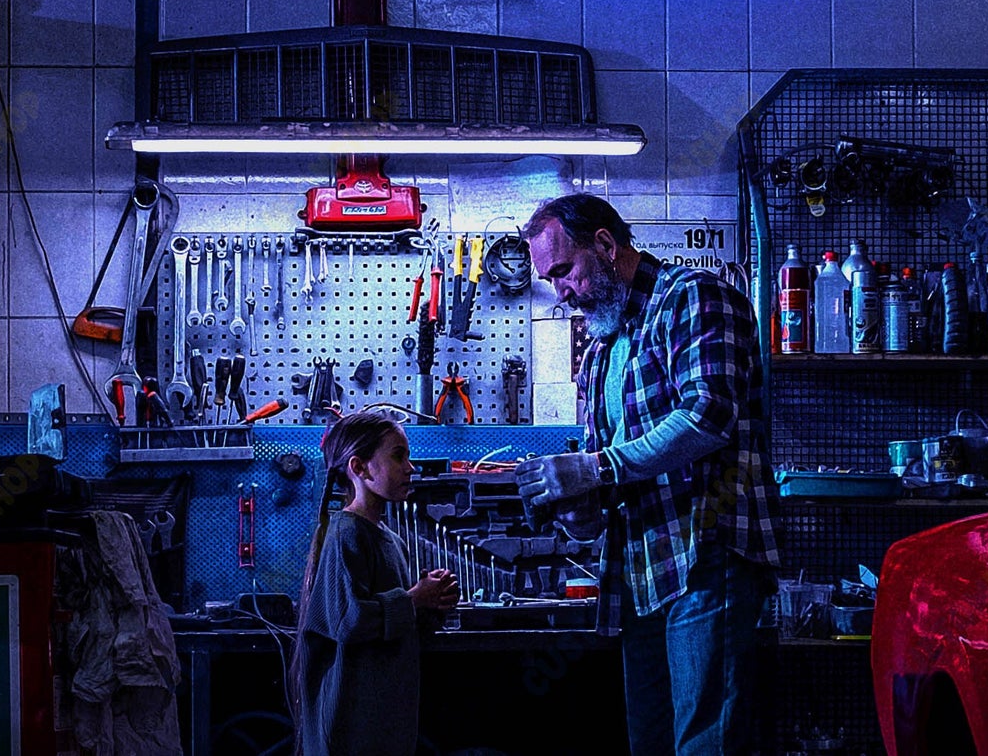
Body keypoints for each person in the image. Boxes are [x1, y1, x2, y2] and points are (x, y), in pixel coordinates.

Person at [515, 194, 780, 756]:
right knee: (652, 744)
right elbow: (602, 480)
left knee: (706, 744)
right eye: (550, 280)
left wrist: (593, 468)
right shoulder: (598, 353)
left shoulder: (694, 297)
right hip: (639, 573)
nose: (560, 294)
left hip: (707, 555)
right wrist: (577, 509)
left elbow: (709, 416)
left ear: (607, 246)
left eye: (564, 271)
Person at [291, 410, 459, 756]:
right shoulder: (347, 533)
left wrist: (434, 604)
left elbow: (396, 629)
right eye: (398, 456)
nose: (410, 467)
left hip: (383, 723)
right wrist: (414, 599)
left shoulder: (391, 541)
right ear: (360, 468)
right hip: (350, 728)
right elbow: (348, 622)